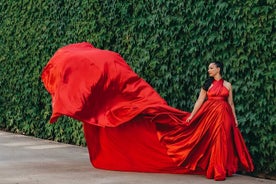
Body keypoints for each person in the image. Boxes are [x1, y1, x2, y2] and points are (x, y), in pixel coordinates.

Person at [41, 42, 254, 181]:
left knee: (222, 139)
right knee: (208, 136)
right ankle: (215, 168)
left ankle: (221, 167)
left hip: (223, 114)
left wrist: (234, 119)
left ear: (219, 69)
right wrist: (191, 116)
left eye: (212, 67)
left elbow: (232, 104)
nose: (209, 70)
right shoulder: (207, 85)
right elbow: (199, 101)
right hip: (208, 113)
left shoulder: (227, 86)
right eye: (208, 68)